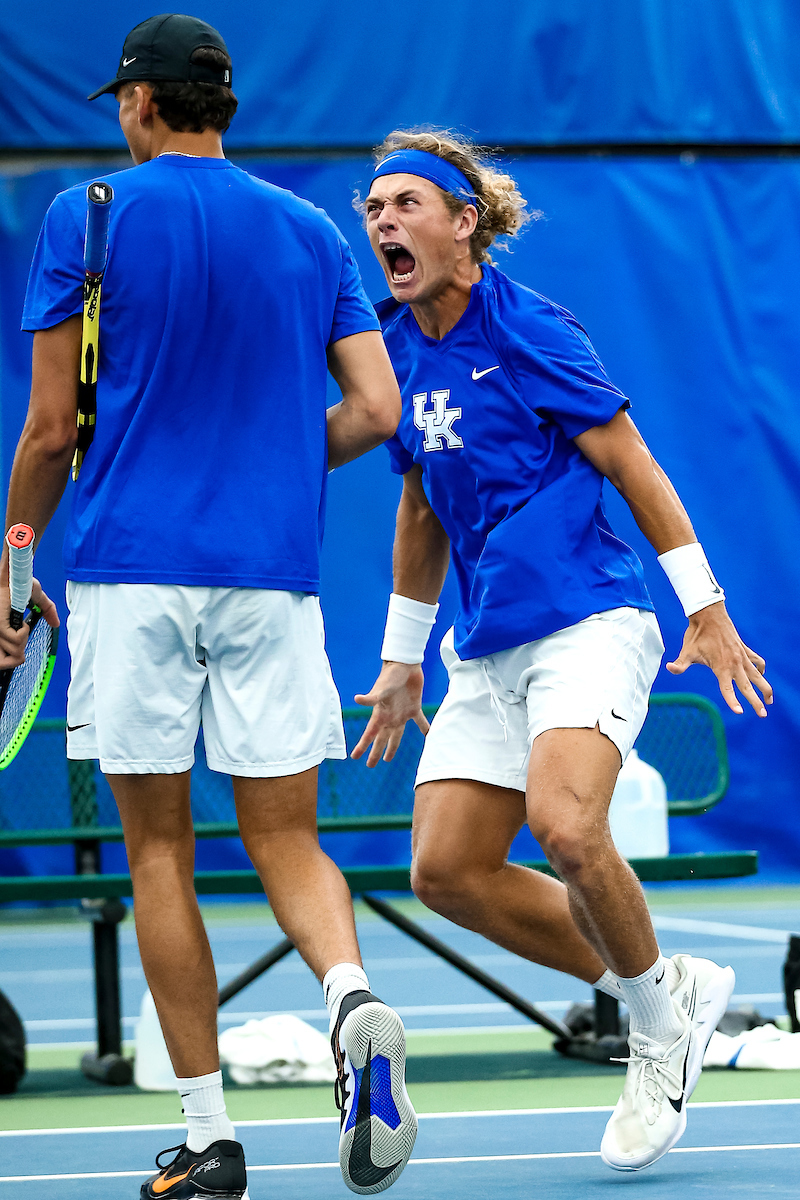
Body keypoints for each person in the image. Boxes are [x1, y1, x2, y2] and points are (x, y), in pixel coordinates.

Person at [0, 18, 417, 1200]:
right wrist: (280, 459)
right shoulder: (309, 229)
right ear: (219, 106)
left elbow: (44, 434)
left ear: (139, 104)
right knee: (286, 838)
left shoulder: (85, 218)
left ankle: (211, 1140)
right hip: (271, 579)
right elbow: (375, 410)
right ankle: (353, 1004)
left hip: (132, 574)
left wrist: (13, 575)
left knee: (159, 852)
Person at [352, 129, 773, 1173]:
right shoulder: (388, 344)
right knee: (446, 869)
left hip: (590, 618)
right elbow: (419, 505)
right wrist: (403, 658)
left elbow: (630, 462)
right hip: (484, 642)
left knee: (564, 825)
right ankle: (658, 982)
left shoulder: (532, 330)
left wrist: (703, 609)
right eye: (372, 208)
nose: (383, 222)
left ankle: (654, 1036)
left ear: (464, 224)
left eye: (406, 203)